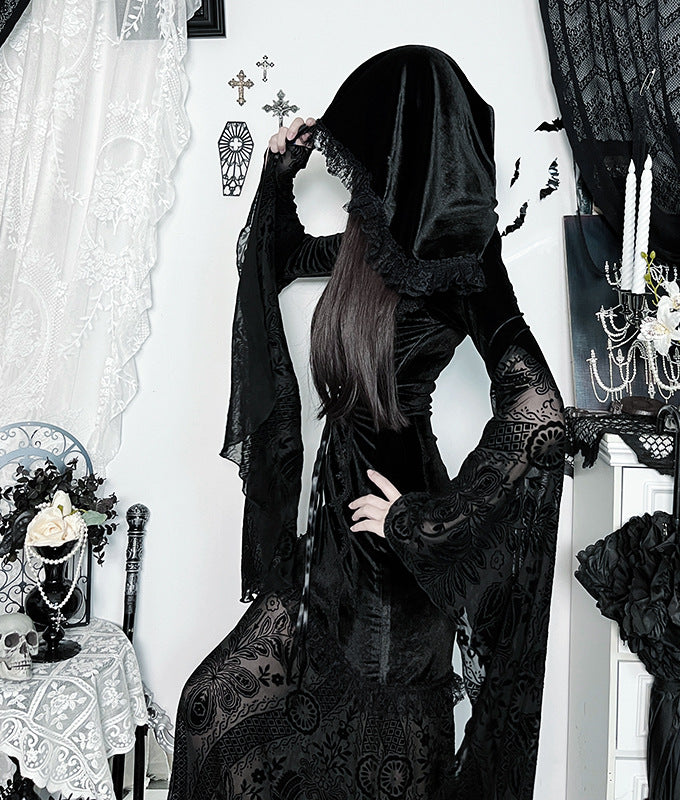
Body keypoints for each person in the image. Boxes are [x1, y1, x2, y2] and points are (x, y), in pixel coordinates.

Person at [169, 45, 565, 800]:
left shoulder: (468, 260)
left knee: (382, 766)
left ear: (403, 144)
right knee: (209, 709)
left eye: (362, 151)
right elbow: (277, 255)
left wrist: (420, 520)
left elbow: (539, 410)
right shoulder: (370, 241)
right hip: (333, 543)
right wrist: (281, 170)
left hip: (391, 561)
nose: (351, 171)